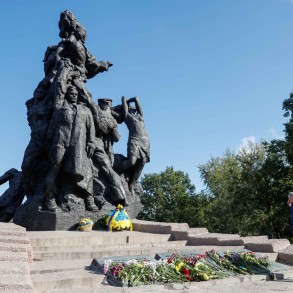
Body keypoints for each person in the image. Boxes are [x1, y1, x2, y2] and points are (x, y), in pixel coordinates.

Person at [45, 85, 97, 212]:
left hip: (79, 145)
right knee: (54, 170)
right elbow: (51, 129)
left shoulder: (85, 110)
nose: (73, 95)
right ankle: (49, 199)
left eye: (75, 93)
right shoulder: (60, 109)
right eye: (71, 93)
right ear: (67, 94)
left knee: (87, 171)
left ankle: (89, 200)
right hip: (60, 143)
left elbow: (91, 129)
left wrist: (91, 142)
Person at [118, 96, 150, 192]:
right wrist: (125, 100)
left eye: (134, 109)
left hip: (145, 142)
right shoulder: (127, 117)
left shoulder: (140, 117)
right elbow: (124, 103)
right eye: (131, 109)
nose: (133, 110)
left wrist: (134, 99)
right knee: (132, 161)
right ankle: (116, 171)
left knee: (141, 163)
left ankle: (132, 183)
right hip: (134, 140)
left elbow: (138, 104)